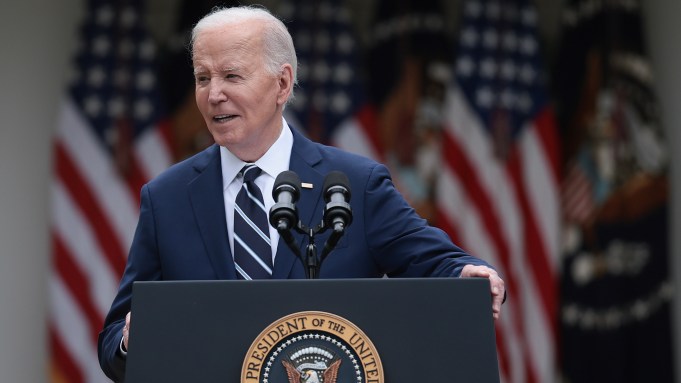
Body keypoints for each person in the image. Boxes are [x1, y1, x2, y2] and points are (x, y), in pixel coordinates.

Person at [97, 5, 506, 381]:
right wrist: (134, 338)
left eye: (231, 75)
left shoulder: (353, 184)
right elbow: (114, 340)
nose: (213, 94)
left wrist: (467, 275)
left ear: (282, 83)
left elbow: (437, 261)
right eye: (203, 78)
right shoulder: (167, 197)